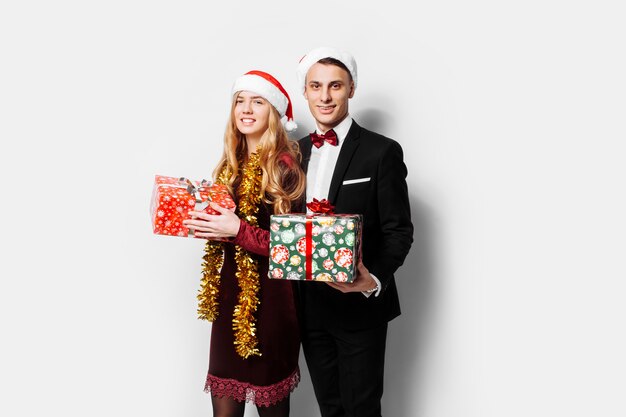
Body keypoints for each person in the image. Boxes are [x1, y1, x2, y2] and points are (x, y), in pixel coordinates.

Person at [294, 47, 414, 417]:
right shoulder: (291, 154)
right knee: (329, 407)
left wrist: (372, 279)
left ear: (352, 89)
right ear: (306, 92)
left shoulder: (381, 152)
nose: (325, 96)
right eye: (316, 86)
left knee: (361, 409)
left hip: (360, 309)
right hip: (308, 307)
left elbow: (399, 230)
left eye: (335, 86)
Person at [183, 70, 306, 417]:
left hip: (272, 305)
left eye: (257, 101)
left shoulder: (284, 167)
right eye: (240, 101)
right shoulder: (229, 168)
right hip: (229, 300)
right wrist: (209, 228)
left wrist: (236, 229)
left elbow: (292, 248)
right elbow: (229, 231)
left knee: (273, 411)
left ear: (274, 113)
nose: (246, 109)